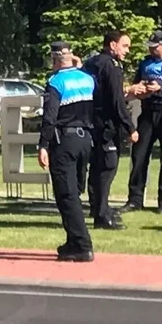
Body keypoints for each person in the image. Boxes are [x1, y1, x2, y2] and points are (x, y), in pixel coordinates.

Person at [37, 41, 96, 262]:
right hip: (85, 139)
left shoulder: (55, 82)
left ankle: (81, 244)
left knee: (66, 194)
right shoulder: (87, 79)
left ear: (54, 59)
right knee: (76, 191)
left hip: (65, 141)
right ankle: (73, 240)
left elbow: (50, 117)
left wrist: (43, 145)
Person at [121, 30, 162, 214]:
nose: (151, 50)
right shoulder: (145, 63)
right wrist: (140, 89)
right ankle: (135, 200)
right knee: (139, 156)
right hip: (148, 112)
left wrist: (161, 89)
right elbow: (135, 85)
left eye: (155, 47)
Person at [82, 30, 139, 230]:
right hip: (106, 125)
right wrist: (130, 127)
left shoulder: (90, 63)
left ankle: (99, 207)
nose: (127, 51)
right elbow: (116, 101)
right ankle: (102, 216)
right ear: (112, 45)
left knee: (97, 168)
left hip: (90, 123)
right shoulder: (112, 66)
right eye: (125, 46)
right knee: (107, 168)